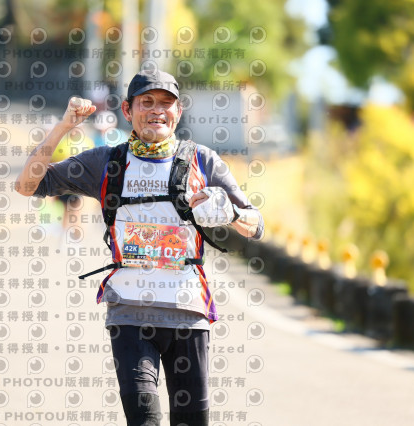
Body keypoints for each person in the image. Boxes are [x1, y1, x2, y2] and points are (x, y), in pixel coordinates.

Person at [16, 70, 264, 425]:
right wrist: (63, 127)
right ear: (127, 110)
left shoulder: (203, 161)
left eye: (166, 103)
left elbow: (257, 225)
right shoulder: (106, 162)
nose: (157, 110)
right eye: (146, 102)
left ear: (178, 112)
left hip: (188, 313)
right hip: (129, 313)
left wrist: (230, 213)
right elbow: (27, 185)